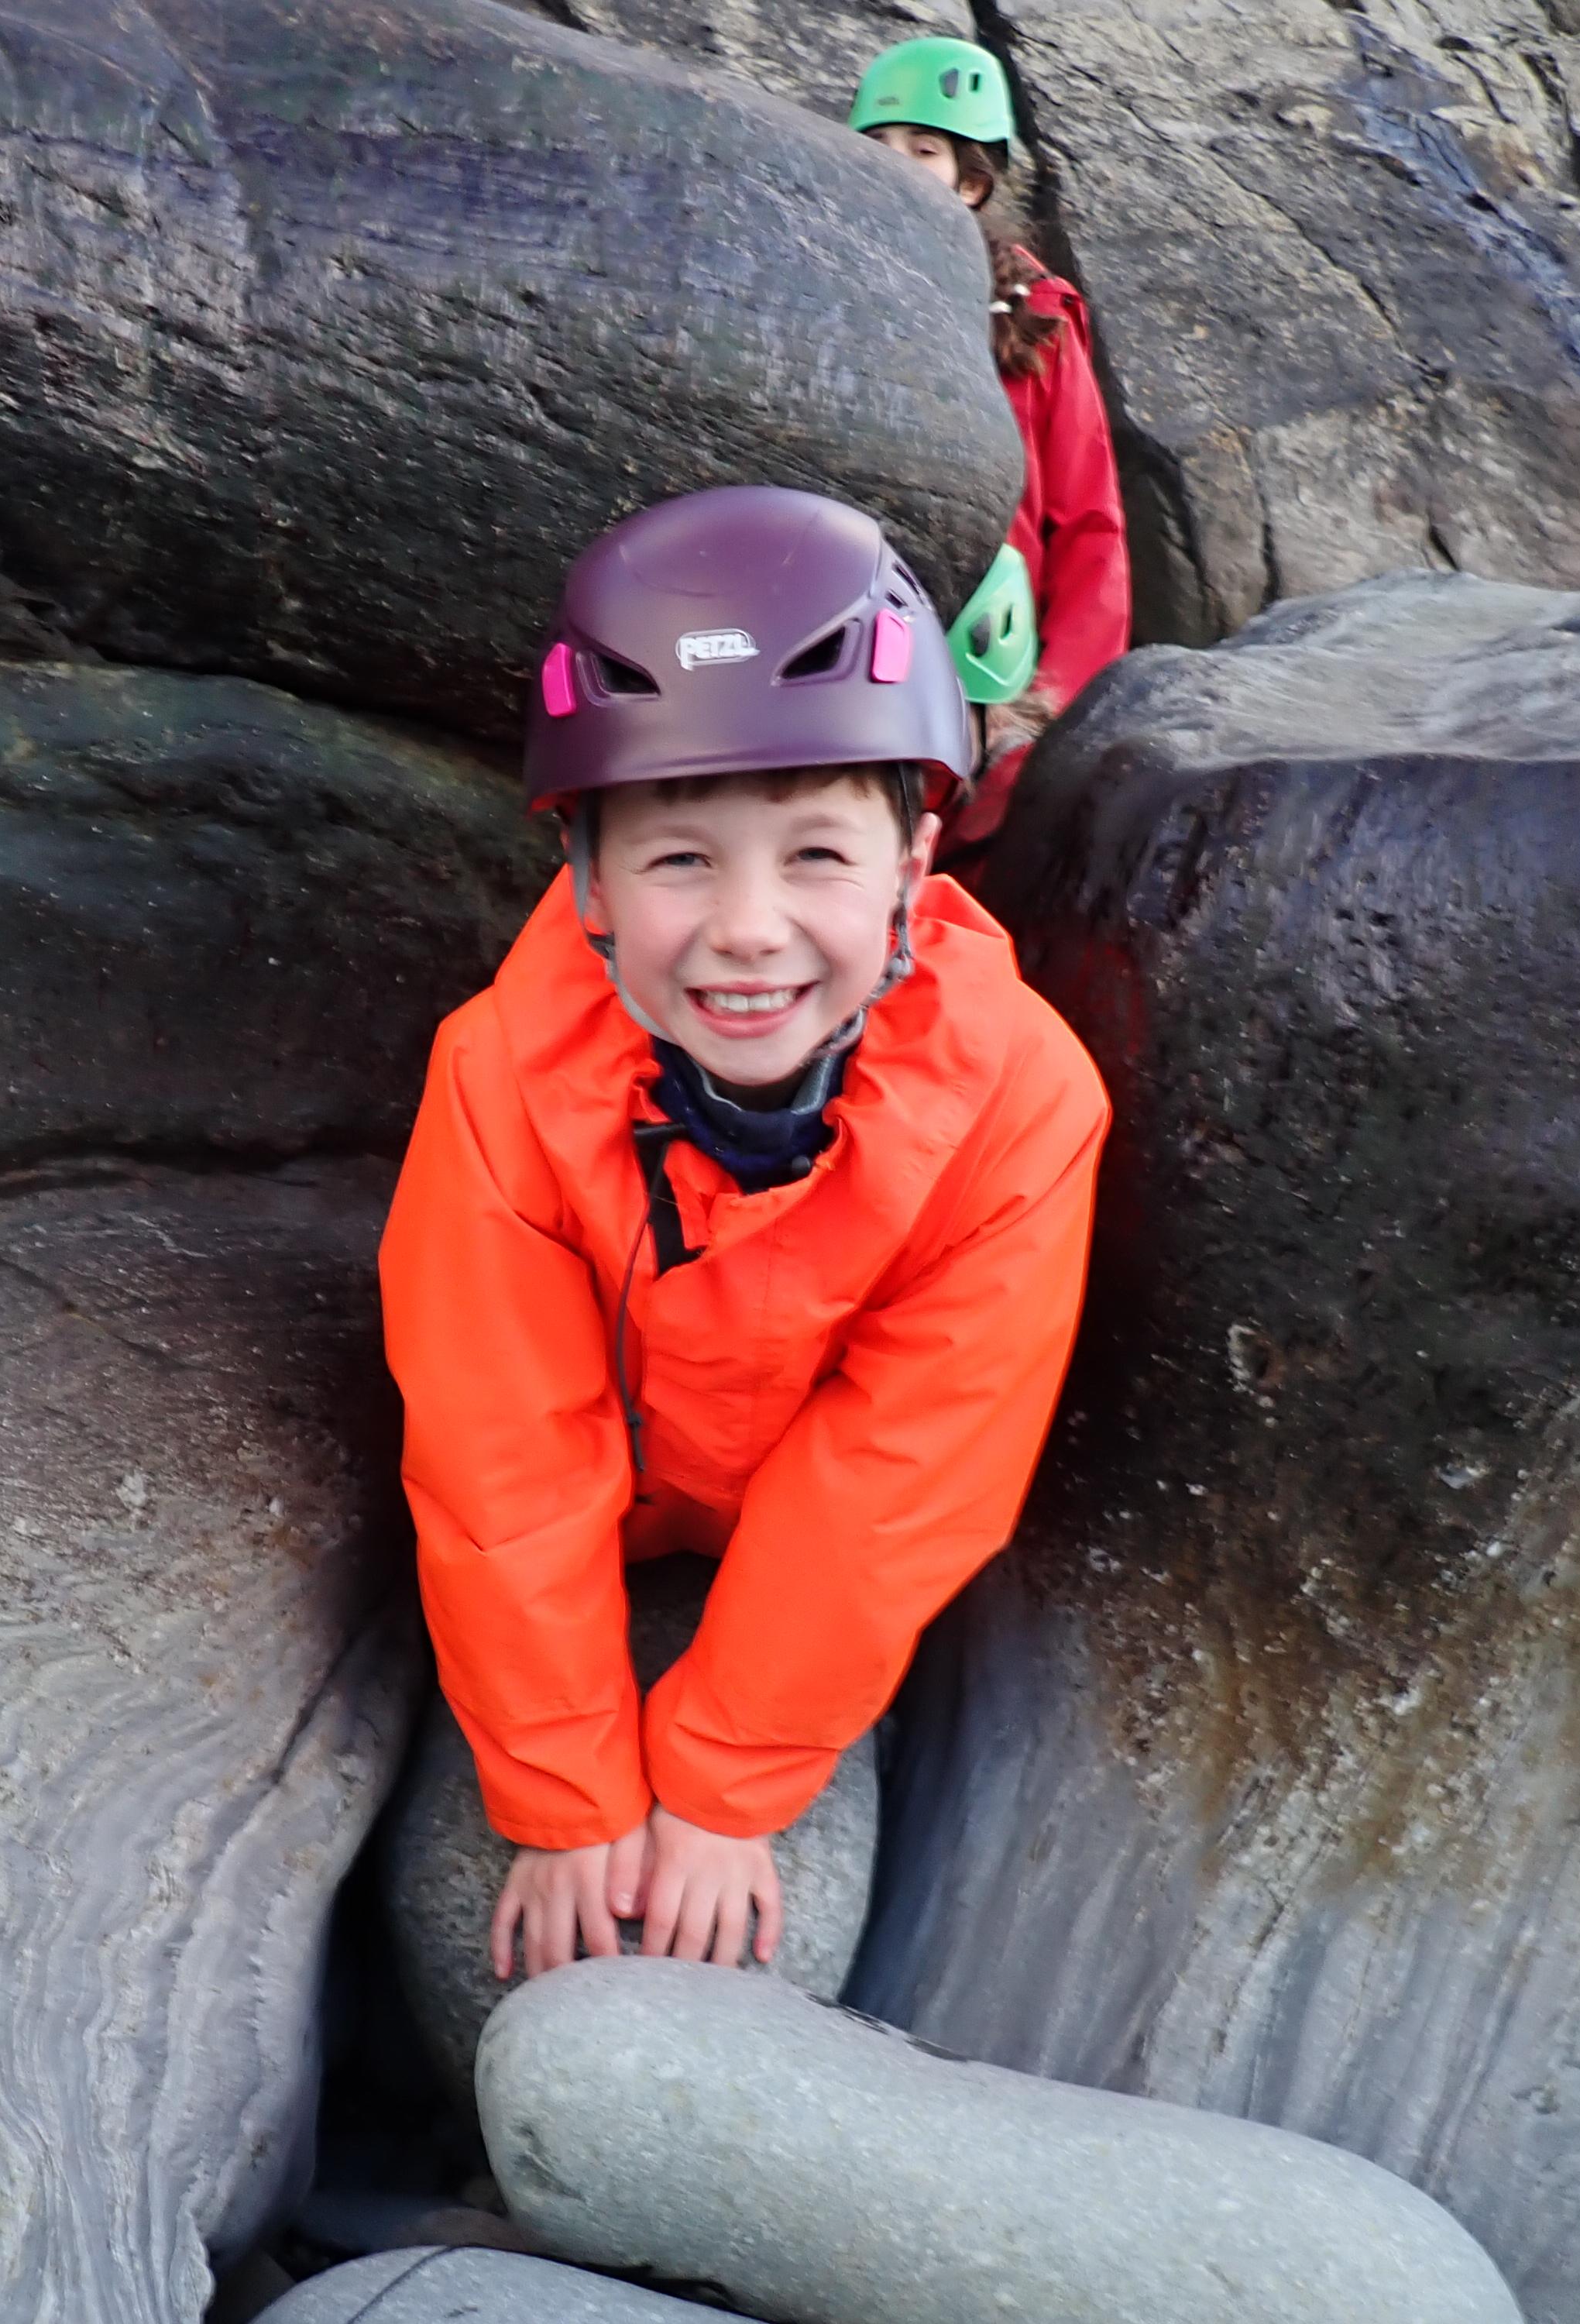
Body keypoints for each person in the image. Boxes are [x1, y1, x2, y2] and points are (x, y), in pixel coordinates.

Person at [380, 486, 1110, 1982]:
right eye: (681, 861)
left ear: (914, 864)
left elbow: (904, 1475)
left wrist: (727, 1788)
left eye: (817, 856)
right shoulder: (501, 1074)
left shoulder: (1020, 1104)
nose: (750, 928)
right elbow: (499, 1452)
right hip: (611, 1528)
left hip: (792, 1542)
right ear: (588, 883)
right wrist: (565, 1794)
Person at [850, 36, 1132, 865]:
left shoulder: (1035, 315)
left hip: (993, 672)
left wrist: (1050, 702)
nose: (894, 165)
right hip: (865, 652)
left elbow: (1090, 522)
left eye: (923, 150)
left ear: (970, 182)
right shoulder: (832, 292)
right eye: (877, 145)